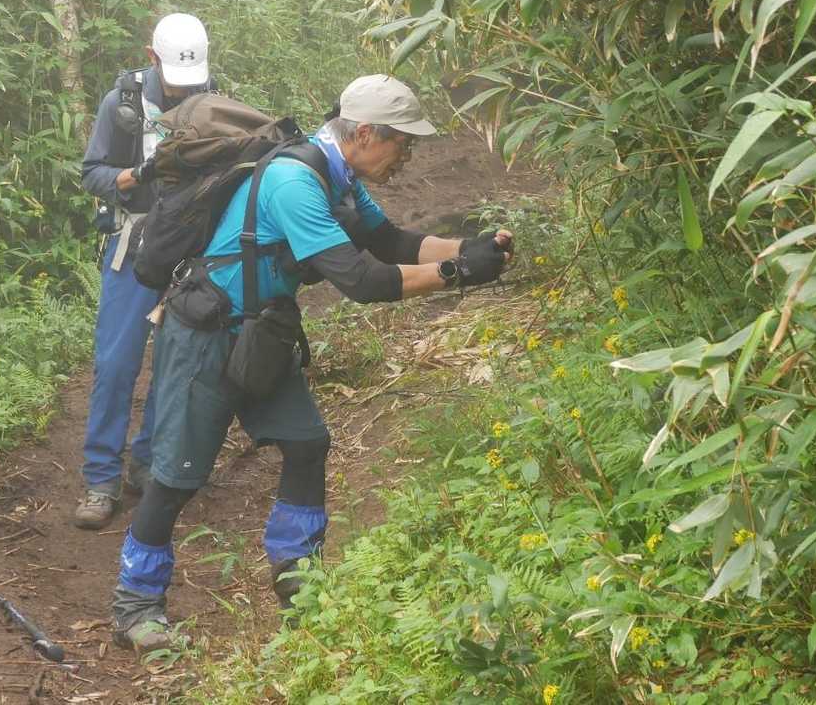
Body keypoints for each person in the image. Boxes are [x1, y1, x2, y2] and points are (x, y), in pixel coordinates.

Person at [109, 74, 515, 650]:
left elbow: (392, 242)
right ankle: (136, 608)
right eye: (402, 142)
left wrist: (472, 249)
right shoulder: (294, 181)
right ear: (366, 133)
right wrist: (457, 273)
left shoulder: (339, 178)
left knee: (306, 444)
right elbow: (362, 280)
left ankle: (299, 585)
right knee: (176, 478)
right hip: (204, 336)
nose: (406, 155)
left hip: (262, 332)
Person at [75, 13, 216, 530]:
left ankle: (148, 460)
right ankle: (100, 479)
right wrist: (139, 174)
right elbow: (92, 173)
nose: (184, 89)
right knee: (116, 365)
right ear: (152, 57)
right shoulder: (123, 104)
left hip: (191, 248)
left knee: (176, 361)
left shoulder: (212, 98)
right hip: (133, 245)